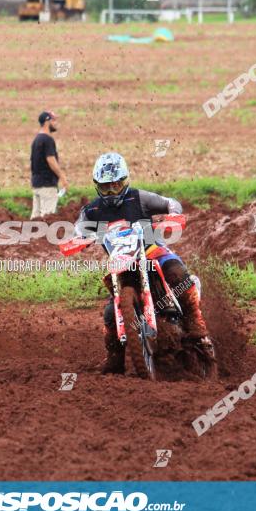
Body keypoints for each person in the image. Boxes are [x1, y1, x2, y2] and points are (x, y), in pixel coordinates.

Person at [74, 152, 211, 374]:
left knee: (177, 273)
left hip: (151, 250)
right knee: (110, 313)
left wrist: (173, 214)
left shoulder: (140, 198)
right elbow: (78, 227)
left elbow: (170, 203)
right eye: (106, 187)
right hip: (120, 261)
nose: (111, 192)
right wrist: (79, 239)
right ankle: (115, 357)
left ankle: (195, 320)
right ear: (97, 186)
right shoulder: (93, 210)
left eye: (116, 186)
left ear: (125, 181)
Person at [30, 111, 68, 218]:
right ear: (47, 122)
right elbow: (51, 160)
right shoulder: (47, 139)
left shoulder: (37, 139)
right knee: (47, 219)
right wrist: (62, 177)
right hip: (47, 185)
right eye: (54, 120)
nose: (56, 123)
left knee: (35, 219)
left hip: (37, 184)